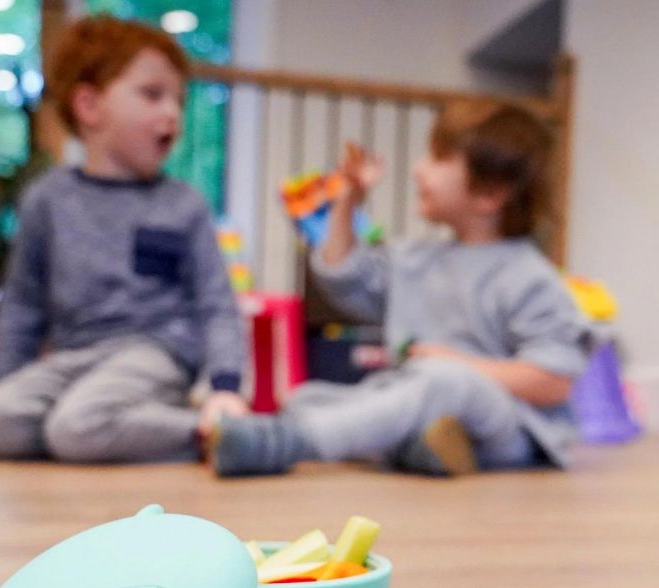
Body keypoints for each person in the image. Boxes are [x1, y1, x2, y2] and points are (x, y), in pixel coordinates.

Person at [212, 99, 591, 477]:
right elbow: (342, 277)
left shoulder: (529, 276)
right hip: (416, 395)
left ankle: (288, 443)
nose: (417, 169)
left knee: (445, 382)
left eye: (438, 158)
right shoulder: (415, 258)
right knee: (306, 397)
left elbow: (553, 380)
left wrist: (458, 365)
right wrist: (348, 202)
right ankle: (426, 447)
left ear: (489, 194)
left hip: (506, 429)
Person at [0, 15, 247, 462]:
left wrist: (225, 386)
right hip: (73, 358)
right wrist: (2, 386)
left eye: (179, 99)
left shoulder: (185, 204)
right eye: (153, 94)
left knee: (76, 427)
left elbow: (217, 304)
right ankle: (119, 431)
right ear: (89, 107)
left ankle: (216, 433)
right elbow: (22, 305)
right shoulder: (47, 199)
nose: (173, 113)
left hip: (155, 352)